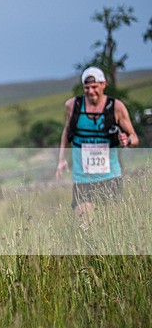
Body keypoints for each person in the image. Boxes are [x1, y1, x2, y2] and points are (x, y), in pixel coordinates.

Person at [56, 66, 138, 225]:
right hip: (82, 177)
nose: (91, 91)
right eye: (87, 87)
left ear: (103, 84)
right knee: (86, 225)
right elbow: (67, 131)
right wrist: (62, 159)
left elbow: (134, 137)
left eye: (94, 87)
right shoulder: (73, 106)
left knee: (114, 225)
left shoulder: (116, 107)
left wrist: (127, 141)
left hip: (110, 175)